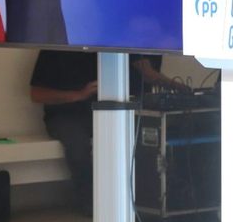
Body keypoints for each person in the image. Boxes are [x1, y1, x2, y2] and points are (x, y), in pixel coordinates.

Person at [30, 50, 190, 216]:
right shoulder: (54, 49)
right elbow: (36, 94)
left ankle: (146, 201)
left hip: (109, 112)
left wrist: (174, 86)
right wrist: (79, 95)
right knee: (77, 144)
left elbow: (146, 74)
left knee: (145, 135)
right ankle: (91, 204)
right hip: (68, 114)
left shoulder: (112, 49)